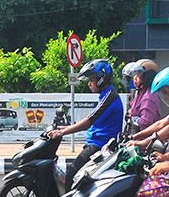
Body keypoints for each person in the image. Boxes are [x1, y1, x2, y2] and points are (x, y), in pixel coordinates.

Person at [47, 59, 124, 187]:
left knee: (71, 175)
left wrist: (62, 132)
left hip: (99, 146)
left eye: (91, 80)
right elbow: (92, 120)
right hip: (96, 144)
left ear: (101, 79)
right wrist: (62, 127)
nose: (89, 84)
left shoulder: (110, 97)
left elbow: (88, 122)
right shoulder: (107, 95)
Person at [122, 59, 162, 134]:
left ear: (147, 76)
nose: (134, 79)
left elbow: (145, 122)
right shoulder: (140, 92)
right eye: (134, 75)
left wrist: (132, 118)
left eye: (138, 75)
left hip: (145, 140)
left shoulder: (148, 97)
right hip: (135, 136)